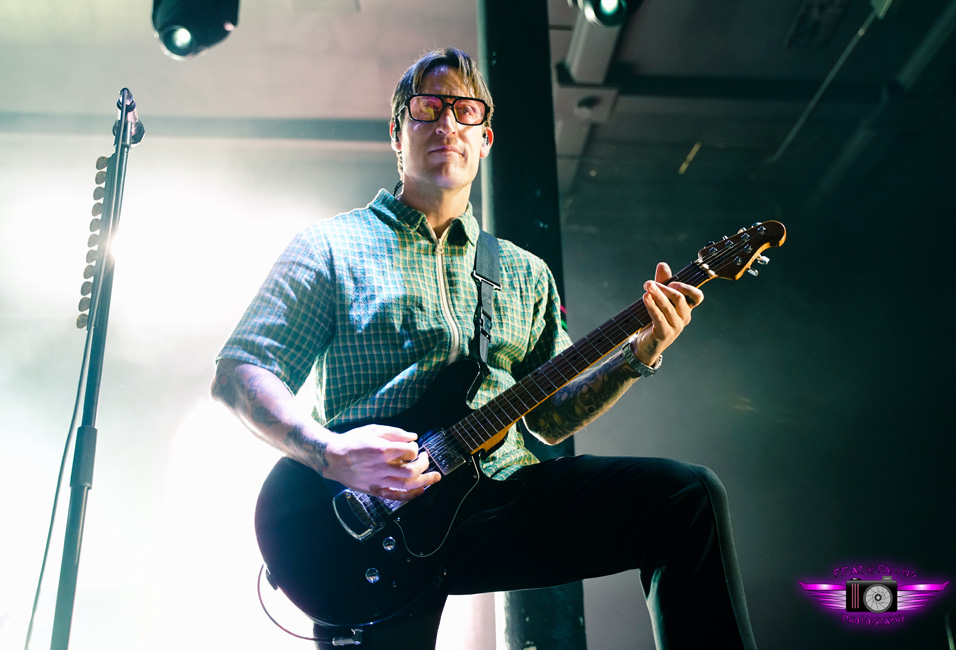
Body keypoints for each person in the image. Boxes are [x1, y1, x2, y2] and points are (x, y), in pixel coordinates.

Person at [211, 47, 757, 650]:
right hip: (371, 519)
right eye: (427, 108)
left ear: (485, 138)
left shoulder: (523, 272)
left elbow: (551, 419)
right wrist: (327, 453)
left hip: (502, 500)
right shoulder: (328, 247)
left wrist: (639, 352)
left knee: (684, 497)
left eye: (464, 111)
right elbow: (242, 371)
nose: (447, 123)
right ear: (397, 134)